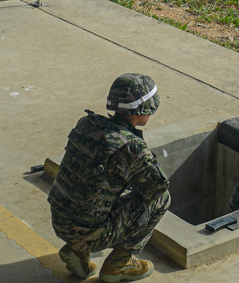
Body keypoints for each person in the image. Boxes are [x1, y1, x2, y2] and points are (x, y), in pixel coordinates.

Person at [48, 73, 171, 282]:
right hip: (89, 235)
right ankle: (119, 264)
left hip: (60, 221)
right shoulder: (130, 147)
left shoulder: (87, 123)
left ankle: (78, 253)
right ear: (144, 109)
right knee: (161, 199)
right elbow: (156, 188)